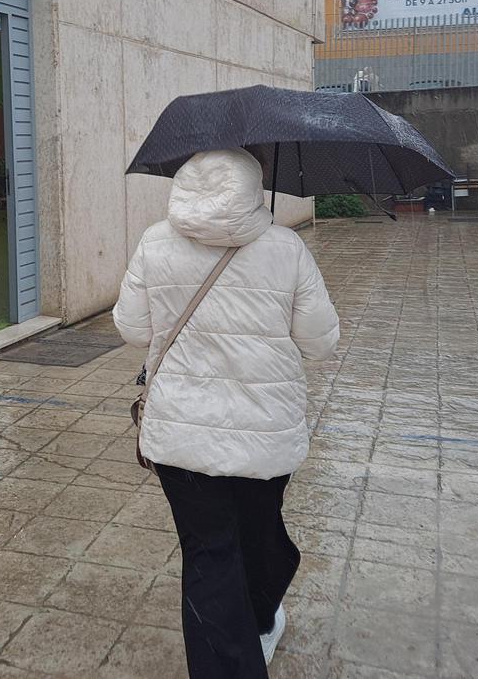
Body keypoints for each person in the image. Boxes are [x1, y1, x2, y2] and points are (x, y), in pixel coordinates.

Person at [113, 148, 340, 678]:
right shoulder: (286, 247)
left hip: (182, 438)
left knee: (211, 553)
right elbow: (321, 342)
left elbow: (132, 329)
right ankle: (257, 620)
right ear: (253, 186)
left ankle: (251, 624)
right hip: (266, 434)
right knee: (256, 531)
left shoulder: (154, 242)